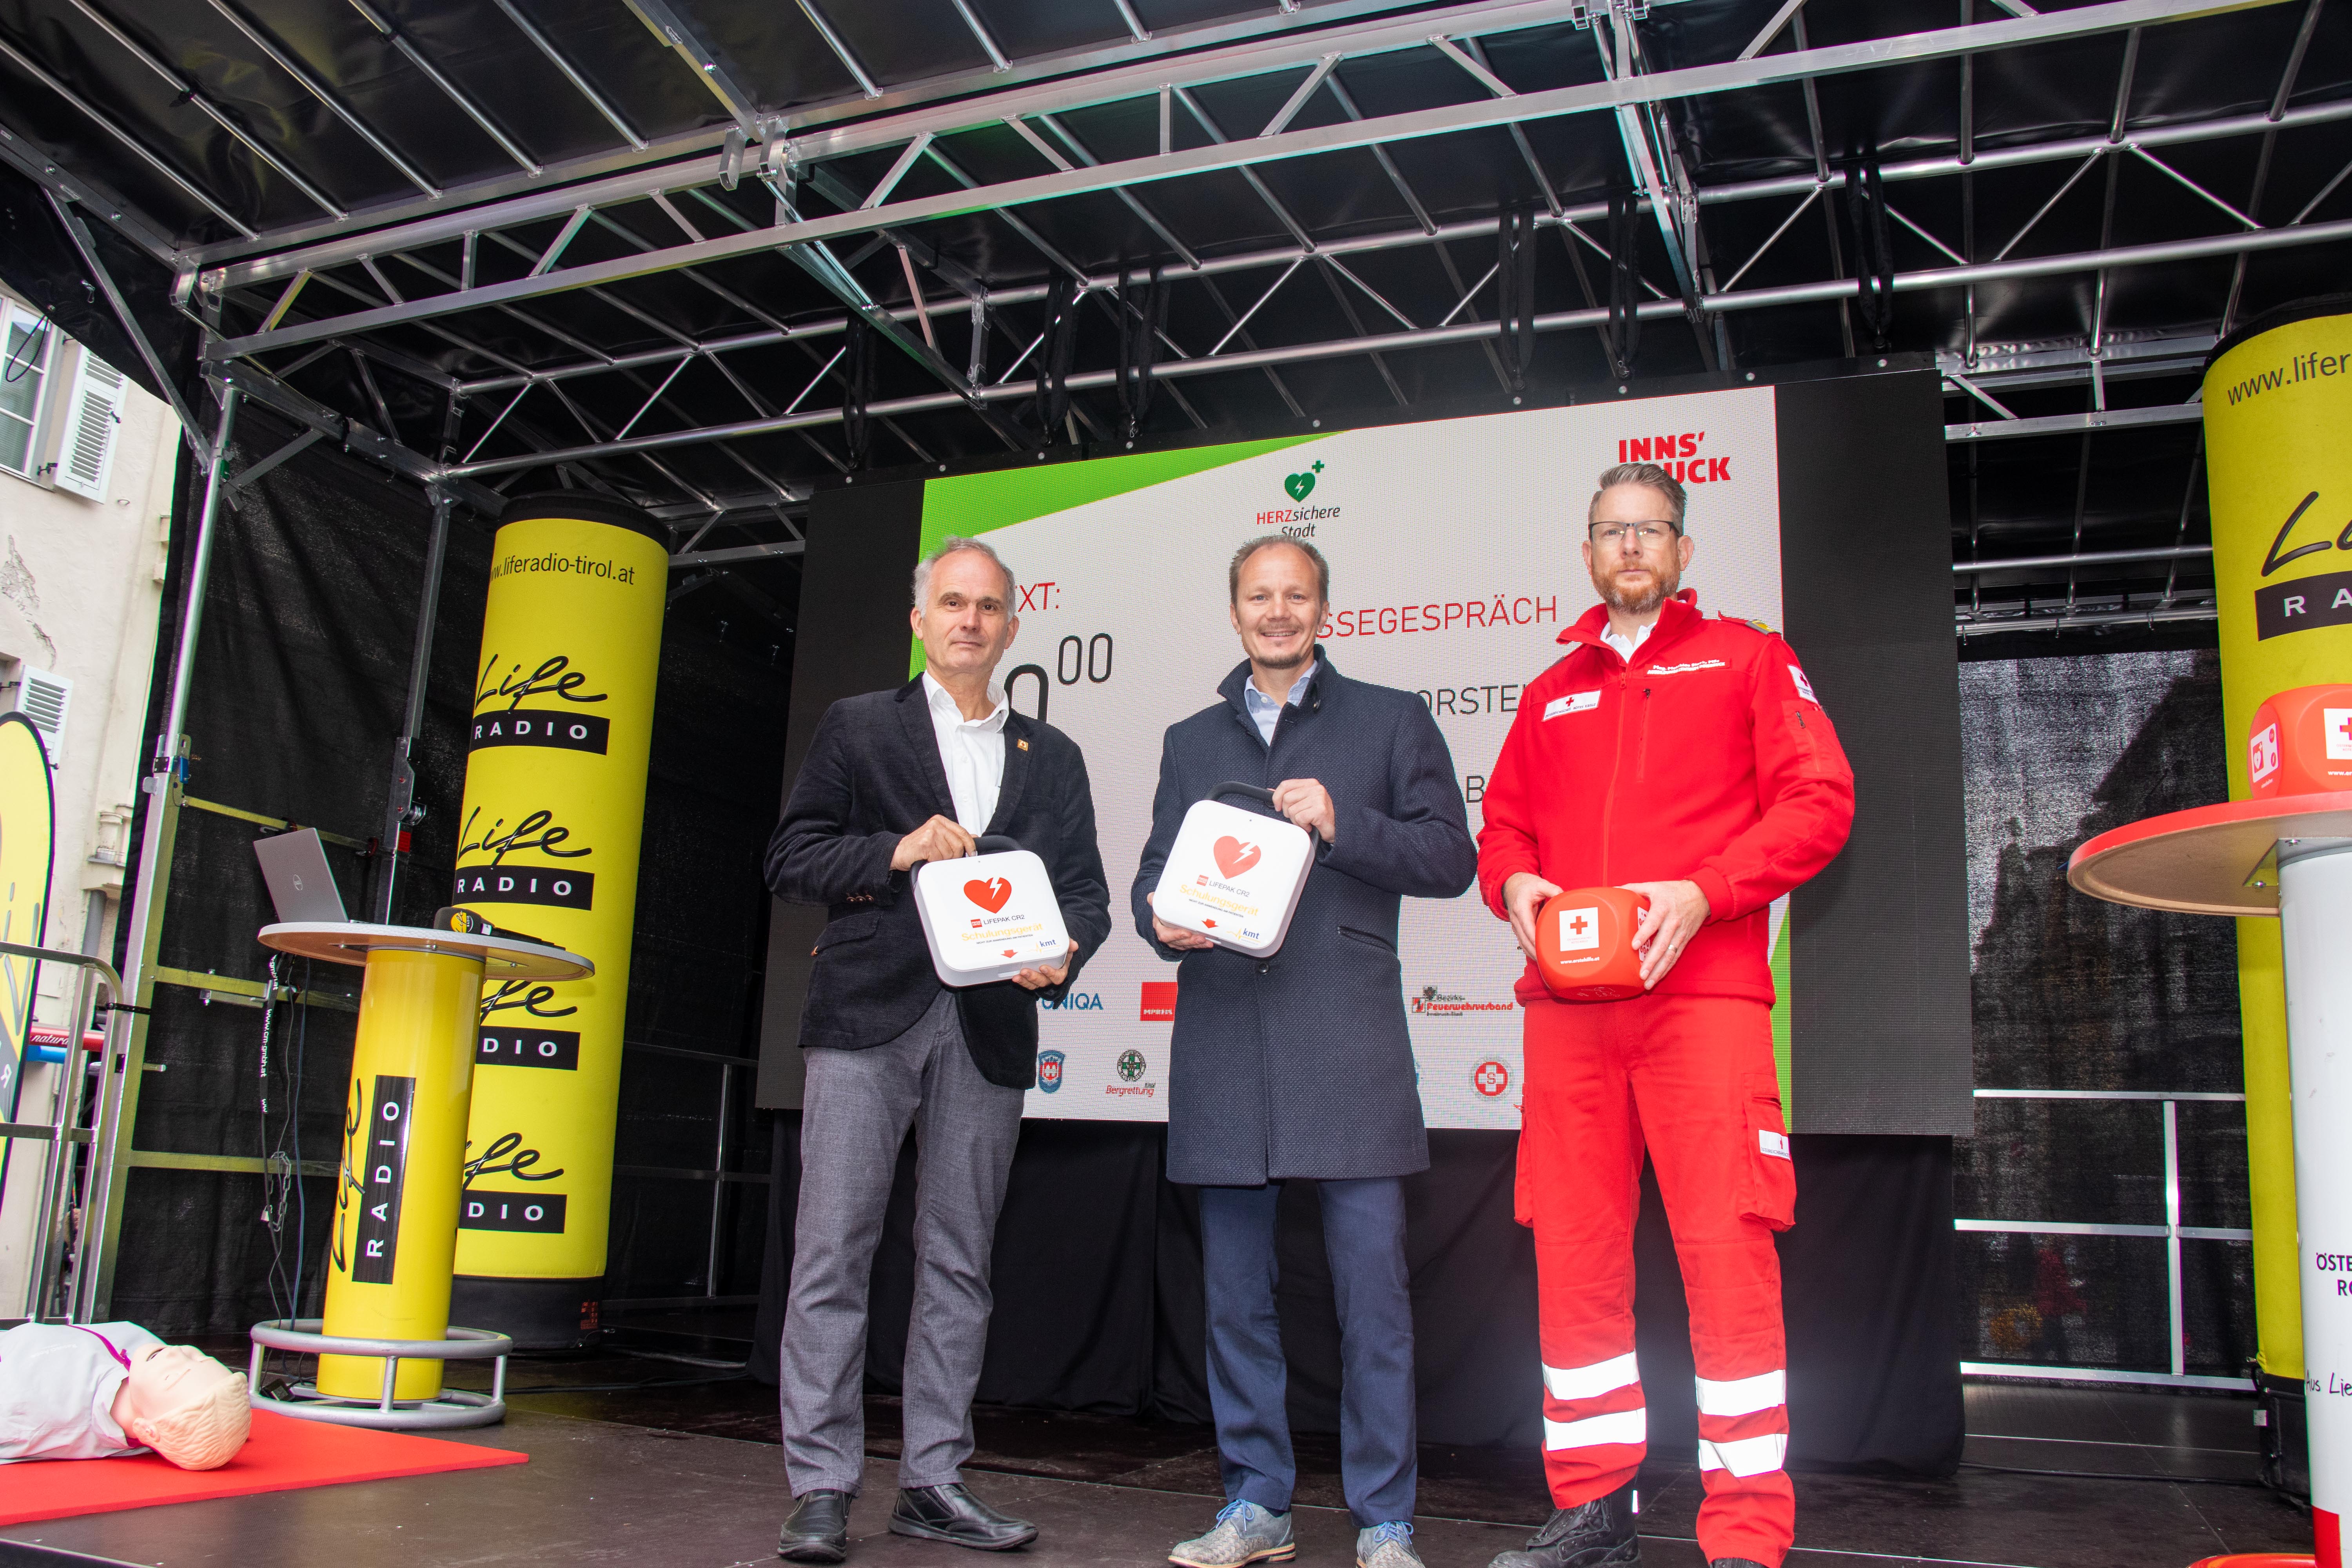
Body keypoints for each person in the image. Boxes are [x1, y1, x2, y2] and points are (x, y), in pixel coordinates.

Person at [1475, 464, 1855, 1568]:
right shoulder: (1550, 693)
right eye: (1611, 531)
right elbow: (1503, 829)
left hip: (1705, 1003)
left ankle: (1743, 1529)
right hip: (1569, 1016)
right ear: (1589, 554)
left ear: (1684, 552)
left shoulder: (1748, 657)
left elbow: (1819, 802)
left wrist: (1707, 891)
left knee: (1729, 1257)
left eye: (1652, 531)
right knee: (1576, 1259)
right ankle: (1594, 1509)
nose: (1631, 548)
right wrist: (1516, 889)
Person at [766, 536, 1112, 1563]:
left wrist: (1065, 950)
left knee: (960, 1261)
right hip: (868, 1012)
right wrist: (895, 849)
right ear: (920, 621)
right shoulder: (857, 726)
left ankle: (933, 1481)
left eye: (989, 607)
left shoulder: (1054, 756)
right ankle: (822, 1486)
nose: (970, 620)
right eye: (952, 604)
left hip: (991, 1024)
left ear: (1012, 625)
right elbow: (791, 855)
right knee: (834, 1250)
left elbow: (1085, 891)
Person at [1134, 537, 1475, 1568]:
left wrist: (1347, 822)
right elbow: (1157, 876)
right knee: (1234, 1296)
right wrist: (1165, 924)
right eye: (1258, 597)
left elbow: (1453, 857)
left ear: (1325, 609)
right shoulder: (1190, 738)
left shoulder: (1392, 718)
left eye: (1296, 596)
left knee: (1374, 1299)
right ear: (1234, 609)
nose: (1277, 613)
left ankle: (1385, 1522)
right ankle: (1257, 1504)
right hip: (1226, 1048)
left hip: (1349, 1045)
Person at [2, 1320, 250, 1468]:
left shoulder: (33, 1414)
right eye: (199, 1357)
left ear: (147, 1430)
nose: (176, 1353)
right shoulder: (147, 1357)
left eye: (171, 1378)